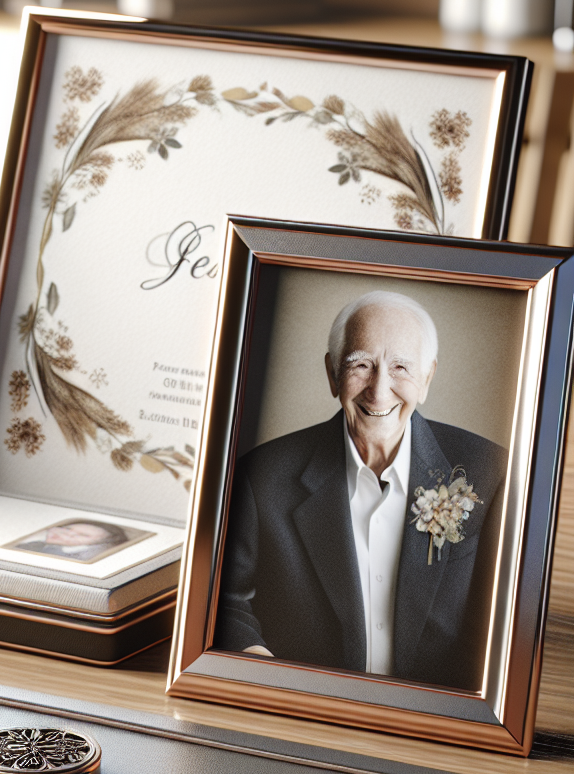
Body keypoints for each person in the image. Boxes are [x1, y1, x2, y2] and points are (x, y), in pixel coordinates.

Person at [214, 290, 507, 689]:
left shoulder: (489, 473)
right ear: (333, 373)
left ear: (427, 377)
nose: (379, 389)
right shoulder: (261, 476)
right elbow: (225, 603)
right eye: (361, 365)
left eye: (401, 366)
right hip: (306, 710)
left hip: (440, 723)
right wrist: (262, 673)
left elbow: (507, 619)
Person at [14, 520, 129, 562]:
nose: (65, 533)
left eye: (82, 535)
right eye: (68, 528)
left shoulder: (81, 558)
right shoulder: (33, 544)